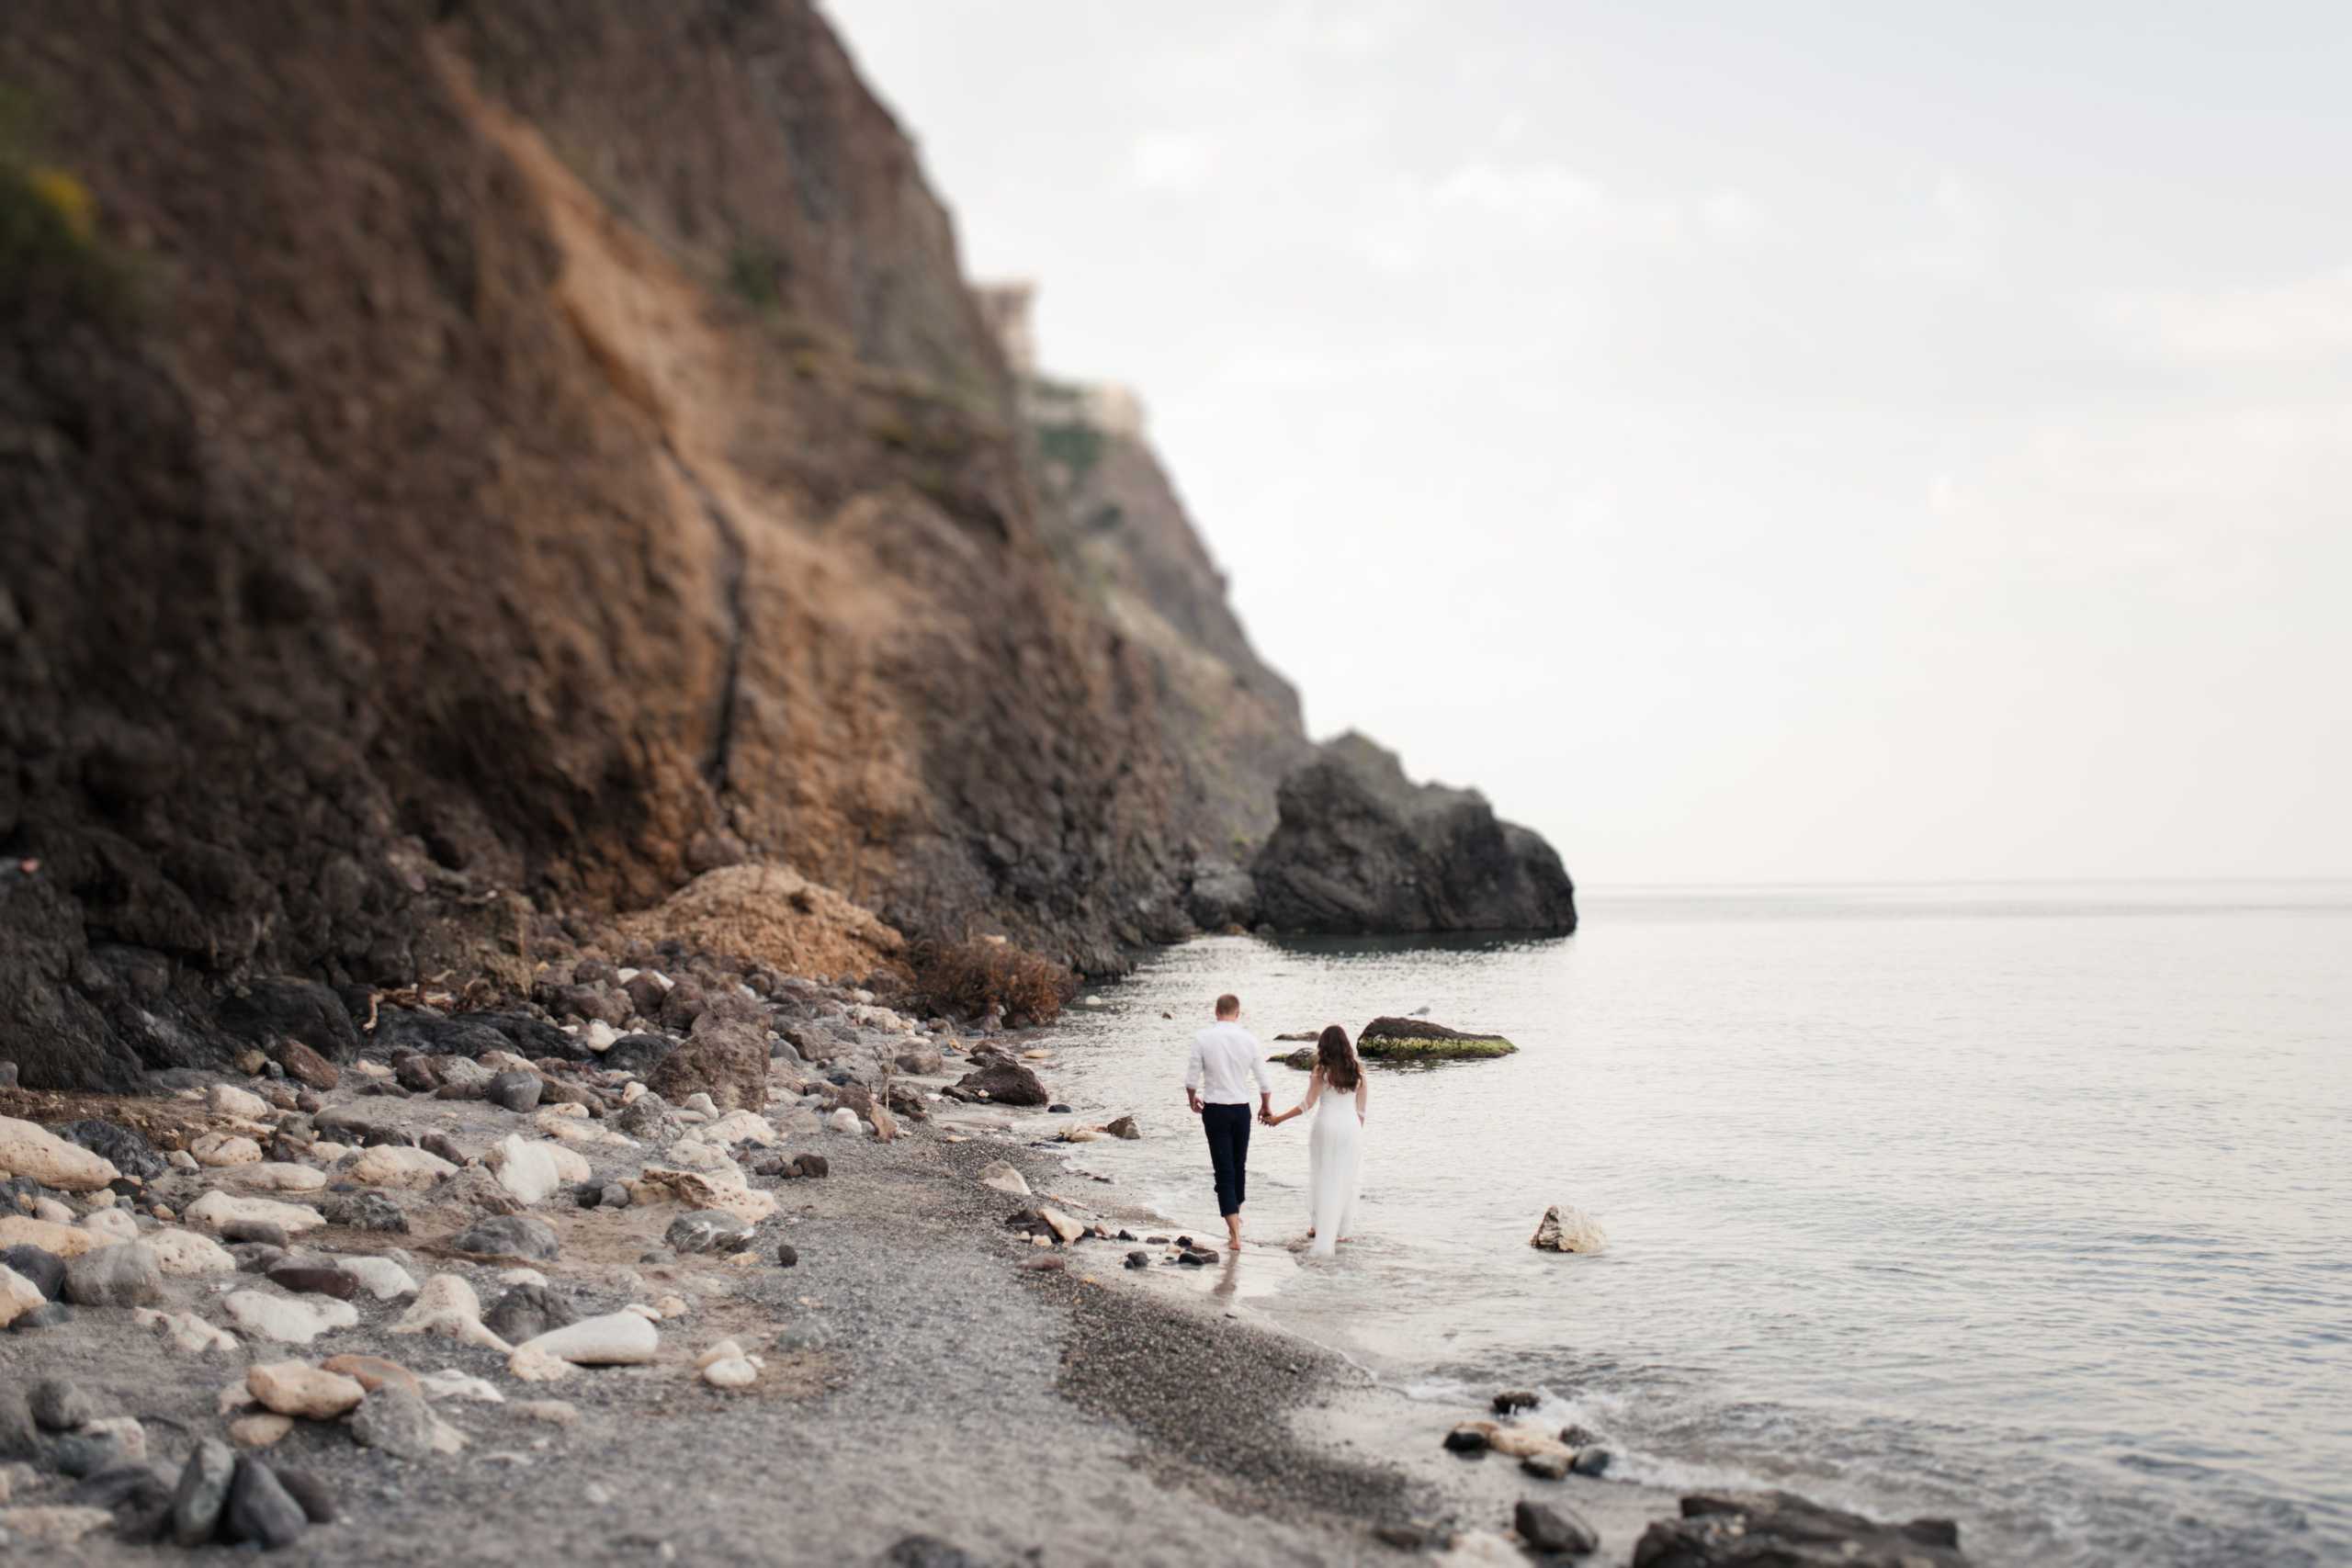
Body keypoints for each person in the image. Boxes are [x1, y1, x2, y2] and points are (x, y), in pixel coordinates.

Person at [1265, 1023, 1367, 1257]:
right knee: (1346, 1178)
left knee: (1323, 1175)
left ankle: (1319, 1226)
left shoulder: (1322, 1070)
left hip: (1327, 1126)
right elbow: (1361, 1111)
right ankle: (1341, 1231)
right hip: (1350, 1129)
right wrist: (1355, 1135)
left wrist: (1279, 1118)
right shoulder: (1358, 1070)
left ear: (1324, 1046)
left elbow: (1307, 1104)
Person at [1184, 992, 1272, 1251]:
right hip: (1241, 1111)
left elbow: (1191, 1079)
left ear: (1216, 1012)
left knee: (1224, 1171)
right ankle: (1235, 1221)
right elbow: (1264, 1081)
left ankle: (1234, 1236)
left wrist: (1192, 1099)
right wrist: (1266, 1106)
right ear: (1237, 1013)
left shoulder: (1203, 1038)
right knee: (1238, 1167)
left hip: (1215, 1111)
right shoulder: (1249, 1040)